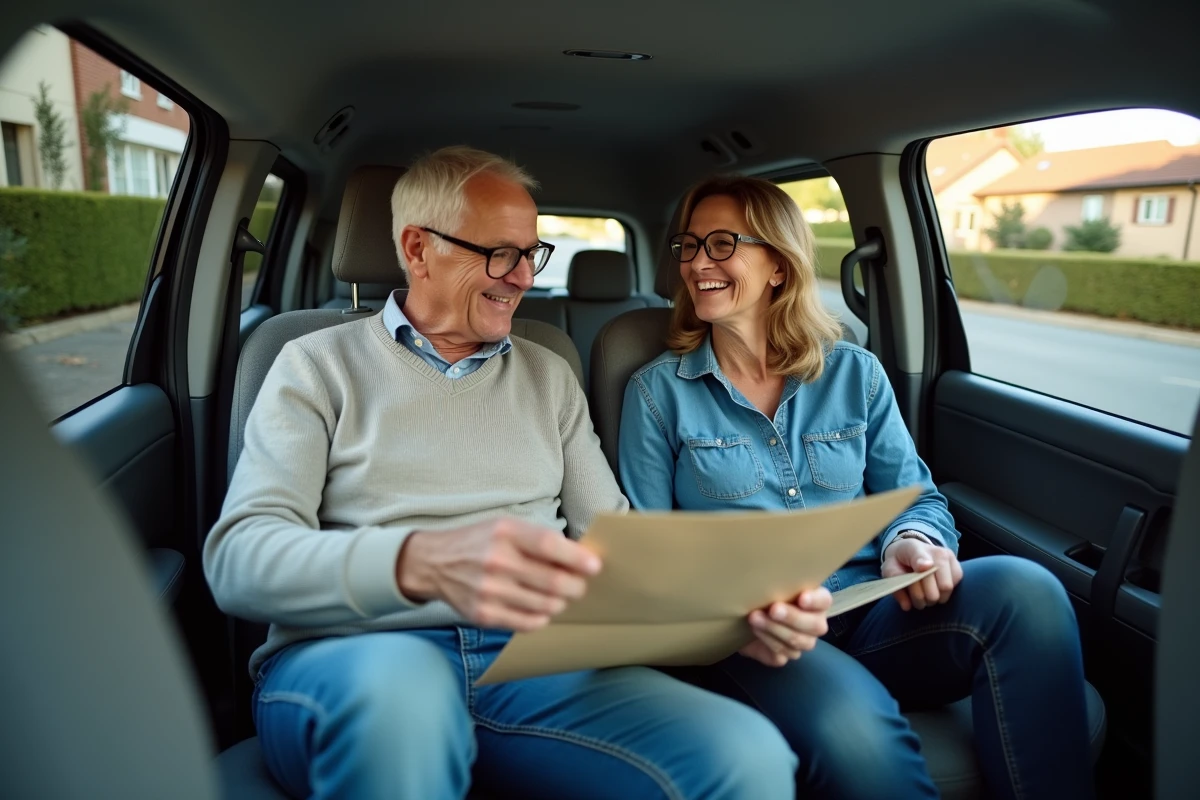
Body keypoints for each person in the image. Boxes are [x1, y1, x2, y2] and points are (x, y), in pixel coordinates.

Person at [205, 147, 800, 799]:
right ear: (418, 249)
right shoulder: (313, 365)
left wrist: (741, 607)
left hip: (534, 663)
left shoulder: (549, 374)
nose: (522, 278)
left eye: (531, 253)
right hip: (355, 656)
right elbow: (240, 559)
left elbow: (616, 540)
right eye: (500, 254)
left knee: (746, 757)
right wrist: (417, 563)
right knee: (401, 706)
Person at [618, 175, 1095, 800]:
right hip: (761, 639)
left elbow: (916, 497)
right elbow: (645, 561)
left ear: (779, 266)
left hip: (875, 612)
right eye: (688, 245)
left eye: (721, 242)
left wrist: (914, 540)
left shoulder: (855, 373)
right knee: (854, 725)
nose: (696, 262)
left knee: (1026, 588)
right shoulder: (657, 392)